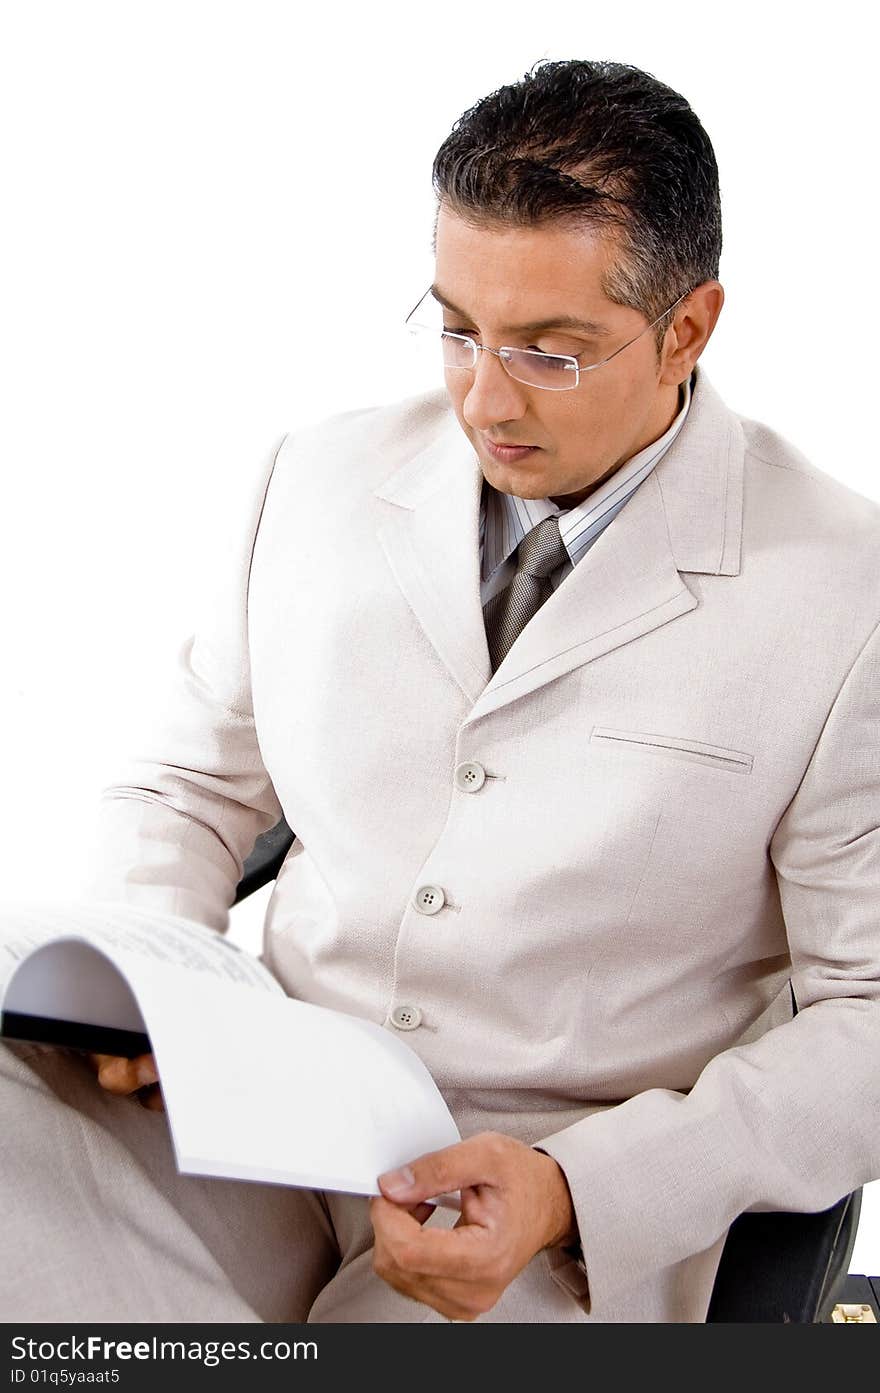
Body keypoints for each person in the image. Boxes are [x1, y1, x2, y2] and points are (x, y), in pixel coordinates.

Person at [2, 57, 879, 1325]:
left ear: (687, 327)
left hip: (546, 1205)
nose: (482, 396)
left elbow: (867, 1021)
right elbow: (186, 783)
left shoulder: (844, 596)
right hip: (253, 1117)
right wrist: (160, 992)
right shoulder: (314, 476)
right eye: (458, 327)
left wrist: (578, 1185)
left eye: (550, 352)